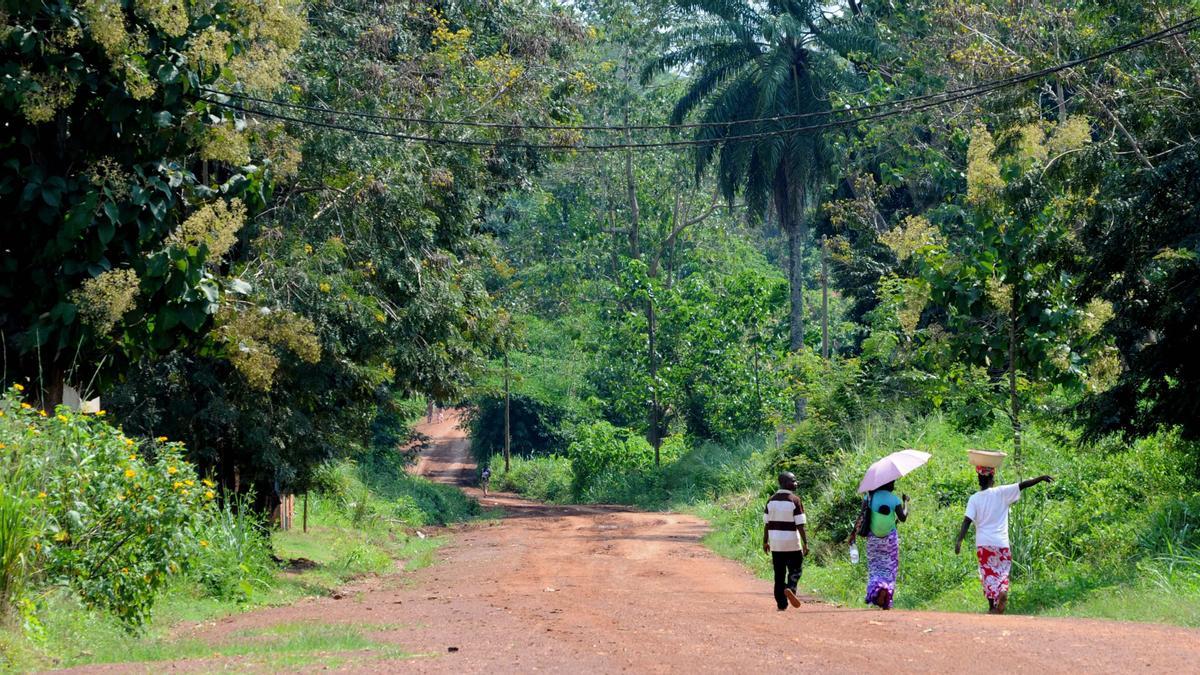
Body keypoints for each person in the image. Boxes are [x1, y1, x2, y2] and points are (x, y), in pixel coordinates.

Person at [954, 467, 1054, 614]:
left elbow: (966, 521)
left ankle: (992, 606)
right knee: (1002, 572)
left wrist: (959, 541)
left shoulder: (974, 499)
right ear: (992, 479)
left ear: (979, 480)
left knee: (987, 574)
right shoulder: (1001, 492)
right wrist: (1041, 477)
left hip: (984, 544)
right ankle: (1002, 591)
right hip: (1001, 543)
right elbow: (1022, 485)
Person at [849, 480, 909, 609]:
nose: (894, 485)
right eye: (892, 483)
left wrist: (853, 533)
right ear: (886, 484)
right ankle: (886, 593)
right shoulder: (894, 499)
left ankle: (877, 590)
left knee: (875, 567)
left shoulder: (869, 497)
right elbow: (903, 518)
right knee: (890, 567)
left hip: (873, 539)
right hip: (890, 540)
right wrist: (906, 502)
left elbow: (861, 516)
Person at [762, 471, 809, 610]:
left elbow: (767, 524)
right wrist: (806, 543)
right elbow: (800, 525)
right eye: (793, 480)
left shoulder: (771, 500)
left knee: (779, 574)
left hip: (776, 544)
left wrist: (765, 542)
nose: (796, 483)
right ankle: (790, 589)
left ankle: (781, 604)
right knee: (795, 570)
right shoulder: (795, 500)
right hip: (792, 543)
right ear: (785, 483)